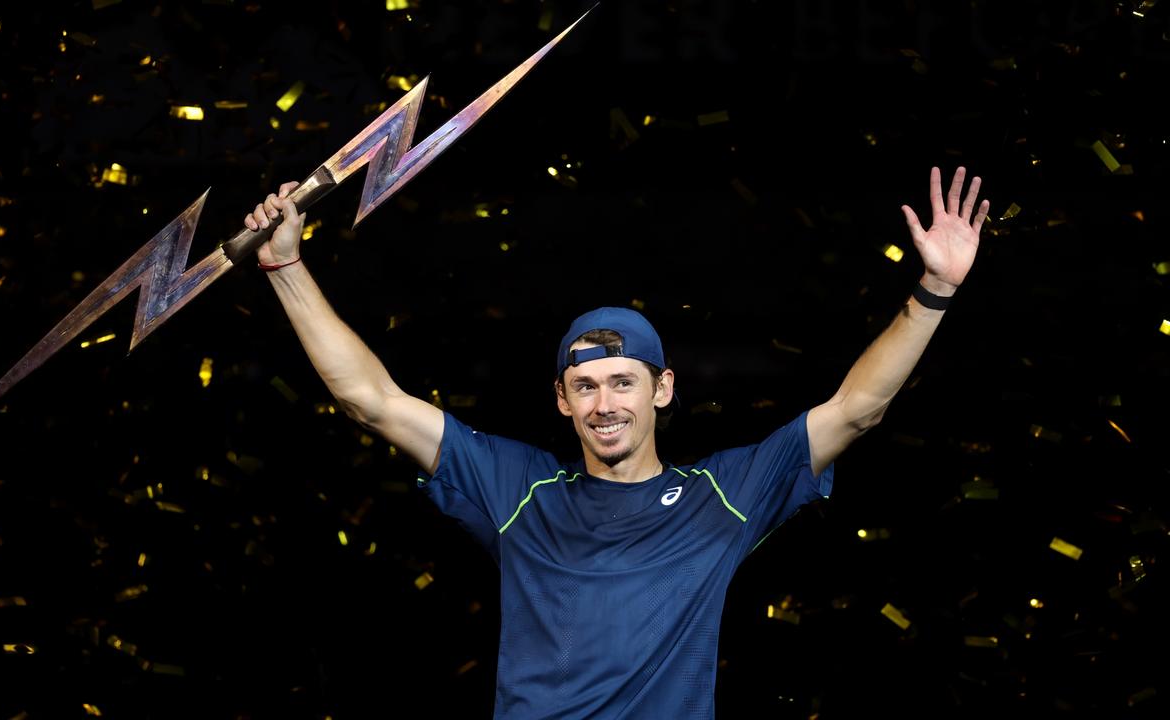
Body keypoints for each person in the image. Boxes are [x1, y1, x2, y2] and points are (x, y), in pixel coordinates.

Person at [244, 166, 989, 718]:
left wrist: (934, 292)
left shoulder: (722, 496)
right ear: (562, 401)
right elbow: (370, 400)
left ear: (662, 391)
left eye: (624, 382)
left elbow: (857, 409)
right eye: (587, 387)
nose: (606, 404)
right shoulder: (516, 488)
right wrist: (284, 265)